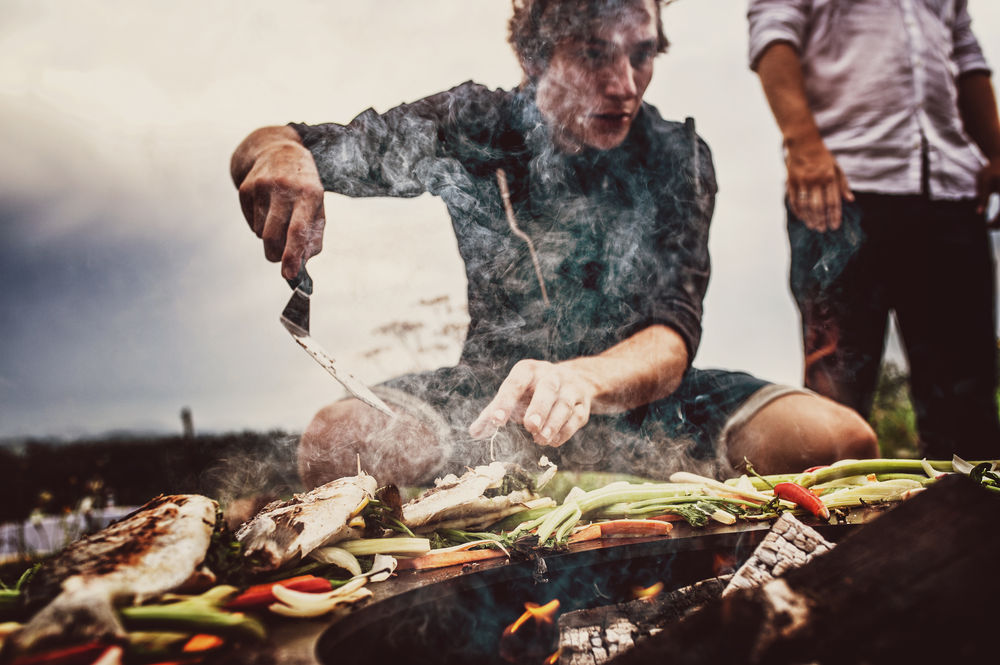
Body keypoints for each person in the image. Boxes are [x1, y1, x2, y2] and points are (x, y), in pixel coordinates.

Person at [232, 0, 877, 489]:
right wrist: (281, 153)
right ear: (537, 55)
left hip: (647, 403)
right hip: (487, 402)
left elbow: (671, 340)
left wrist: (578, 380)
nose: (624, 83)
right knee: (336, 441)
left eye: (642, 55)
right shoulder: (478, 121)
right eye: (595, 55)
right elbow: (271, 144)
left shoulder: (676, 154)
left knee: (841, 442)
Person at [748, 0, 1000, 460]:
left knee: (968, 401)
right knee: (836, 397)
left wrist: (995, 149)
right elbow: (774, 29)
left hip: (950, 192)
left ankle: (970, 529)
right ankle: (826, 532)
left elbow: (965, 53)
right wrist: (803, 144)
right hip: (842, 194)